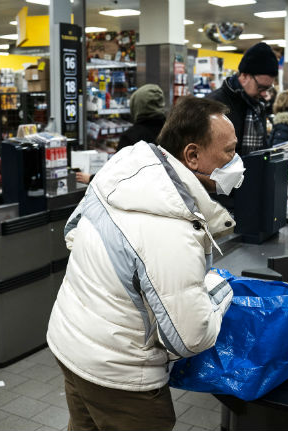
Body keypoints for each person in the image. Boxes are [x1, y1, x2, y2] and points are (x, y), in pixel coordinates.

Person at [47, 97, 238, 431]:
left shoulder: (125, 174)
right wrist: (219, 289)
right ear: (192, 155)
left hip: (72, 342)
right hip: (120, 371)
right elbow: (190, 337)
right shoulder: (172, 226)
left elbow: (73, 233)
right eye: (229, 151)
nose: (236, 161)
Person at [76, 84, 166, 184]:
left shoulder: (132, 137)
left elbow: (116, 174)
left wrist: (91, 179)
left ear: (137, 106)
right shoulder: (171, 131)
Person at [207, 42, 278, 155]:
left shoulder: (258, 106)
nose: (264, 94)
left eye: (268, 88)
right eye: (260, 87)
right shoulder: (214, 104)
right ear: (244, 76)